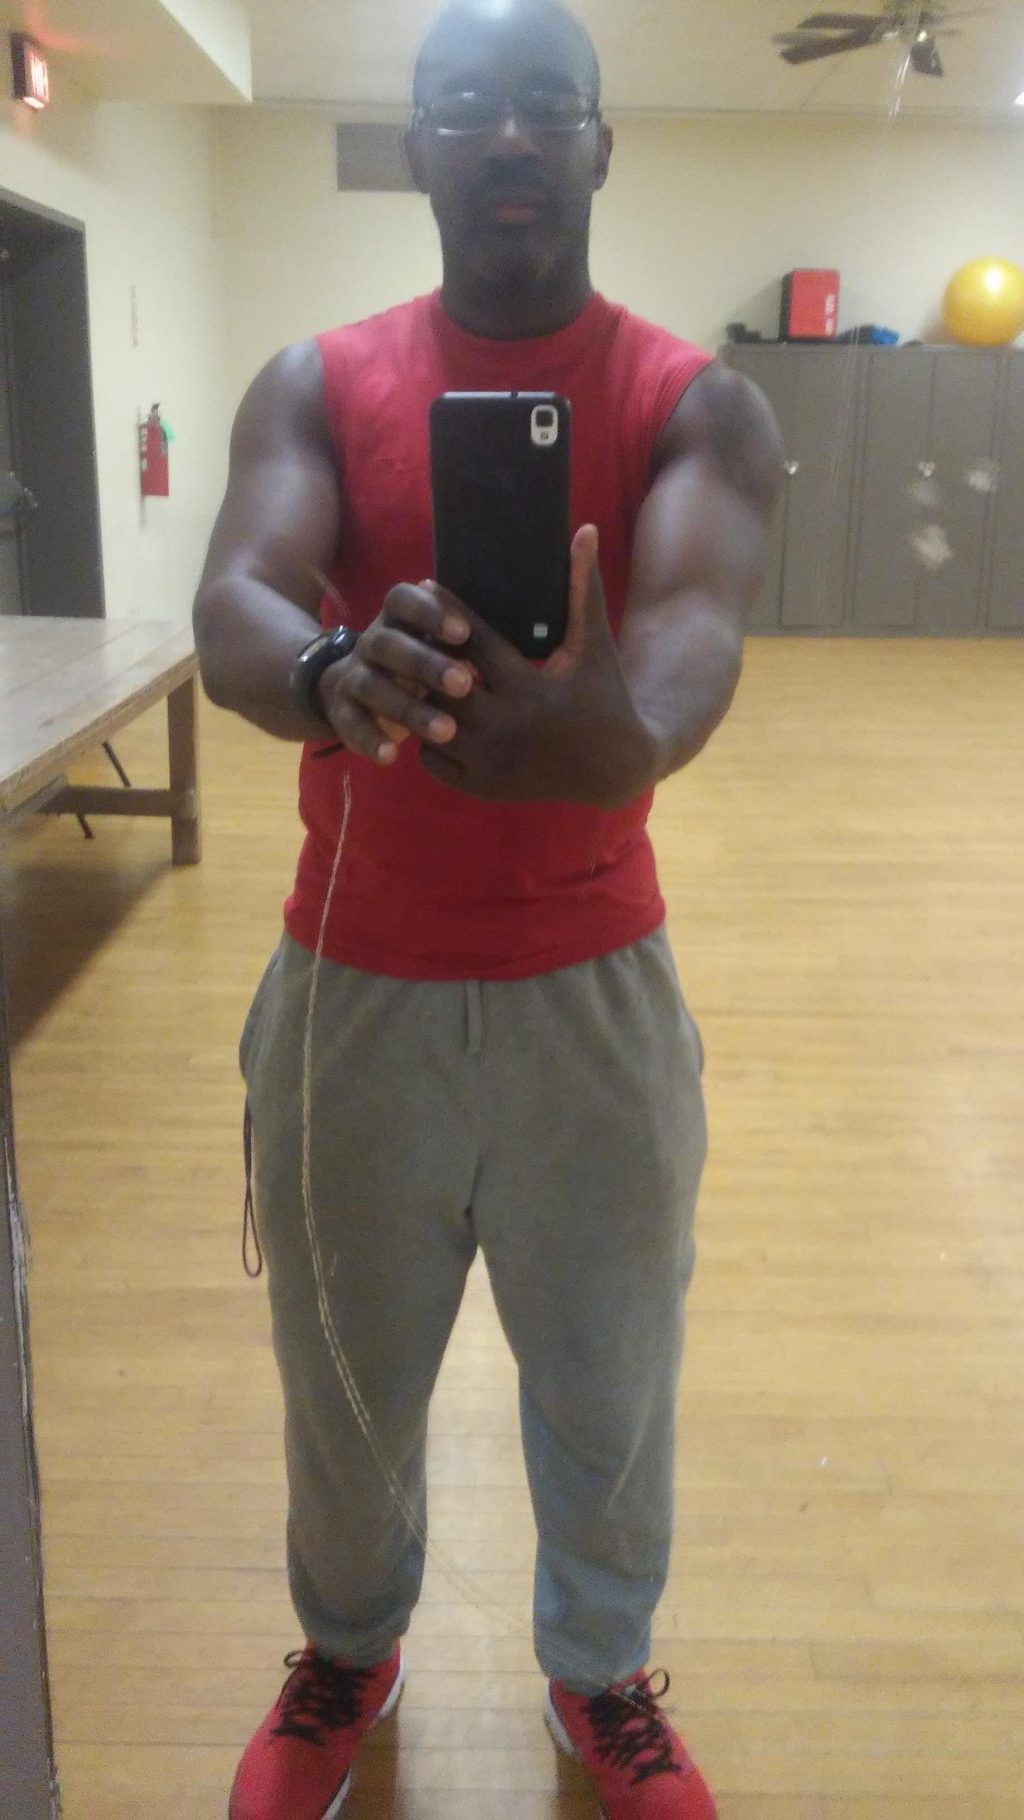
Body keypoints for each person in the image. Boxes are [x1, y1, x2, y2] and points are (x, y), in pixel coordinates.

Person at [194, 1, 780, 1814]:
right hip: (349, 984)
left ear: (600, 141)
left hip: (591, 993)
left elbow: (691, 644)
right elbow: (236, 597)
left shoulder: (698, 404)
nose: (510, 137)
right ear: (420, 148)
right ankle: (348, 1650)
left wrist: (623, 728)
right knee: (343, 1377)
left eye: (545, 106)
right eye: (467, 106)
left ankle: (599, 1673)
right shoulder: (315, 380)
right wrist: (325, 674)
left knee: (610, 1381)